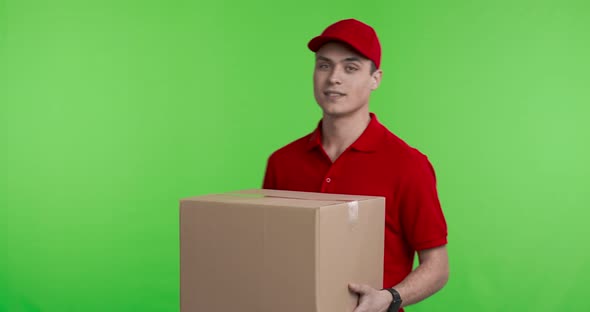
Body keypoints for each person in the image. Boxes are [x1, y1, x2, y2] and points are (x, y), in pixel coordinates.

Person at [262, 18, 449, 312]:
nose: (334, 78)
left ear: (375, 79)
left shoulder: (408, 165)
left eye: (350, 68)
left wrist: (390, 297)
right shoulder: (282, 162)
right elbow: (269, 252)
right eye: (324, 65)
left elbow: (437, 267)